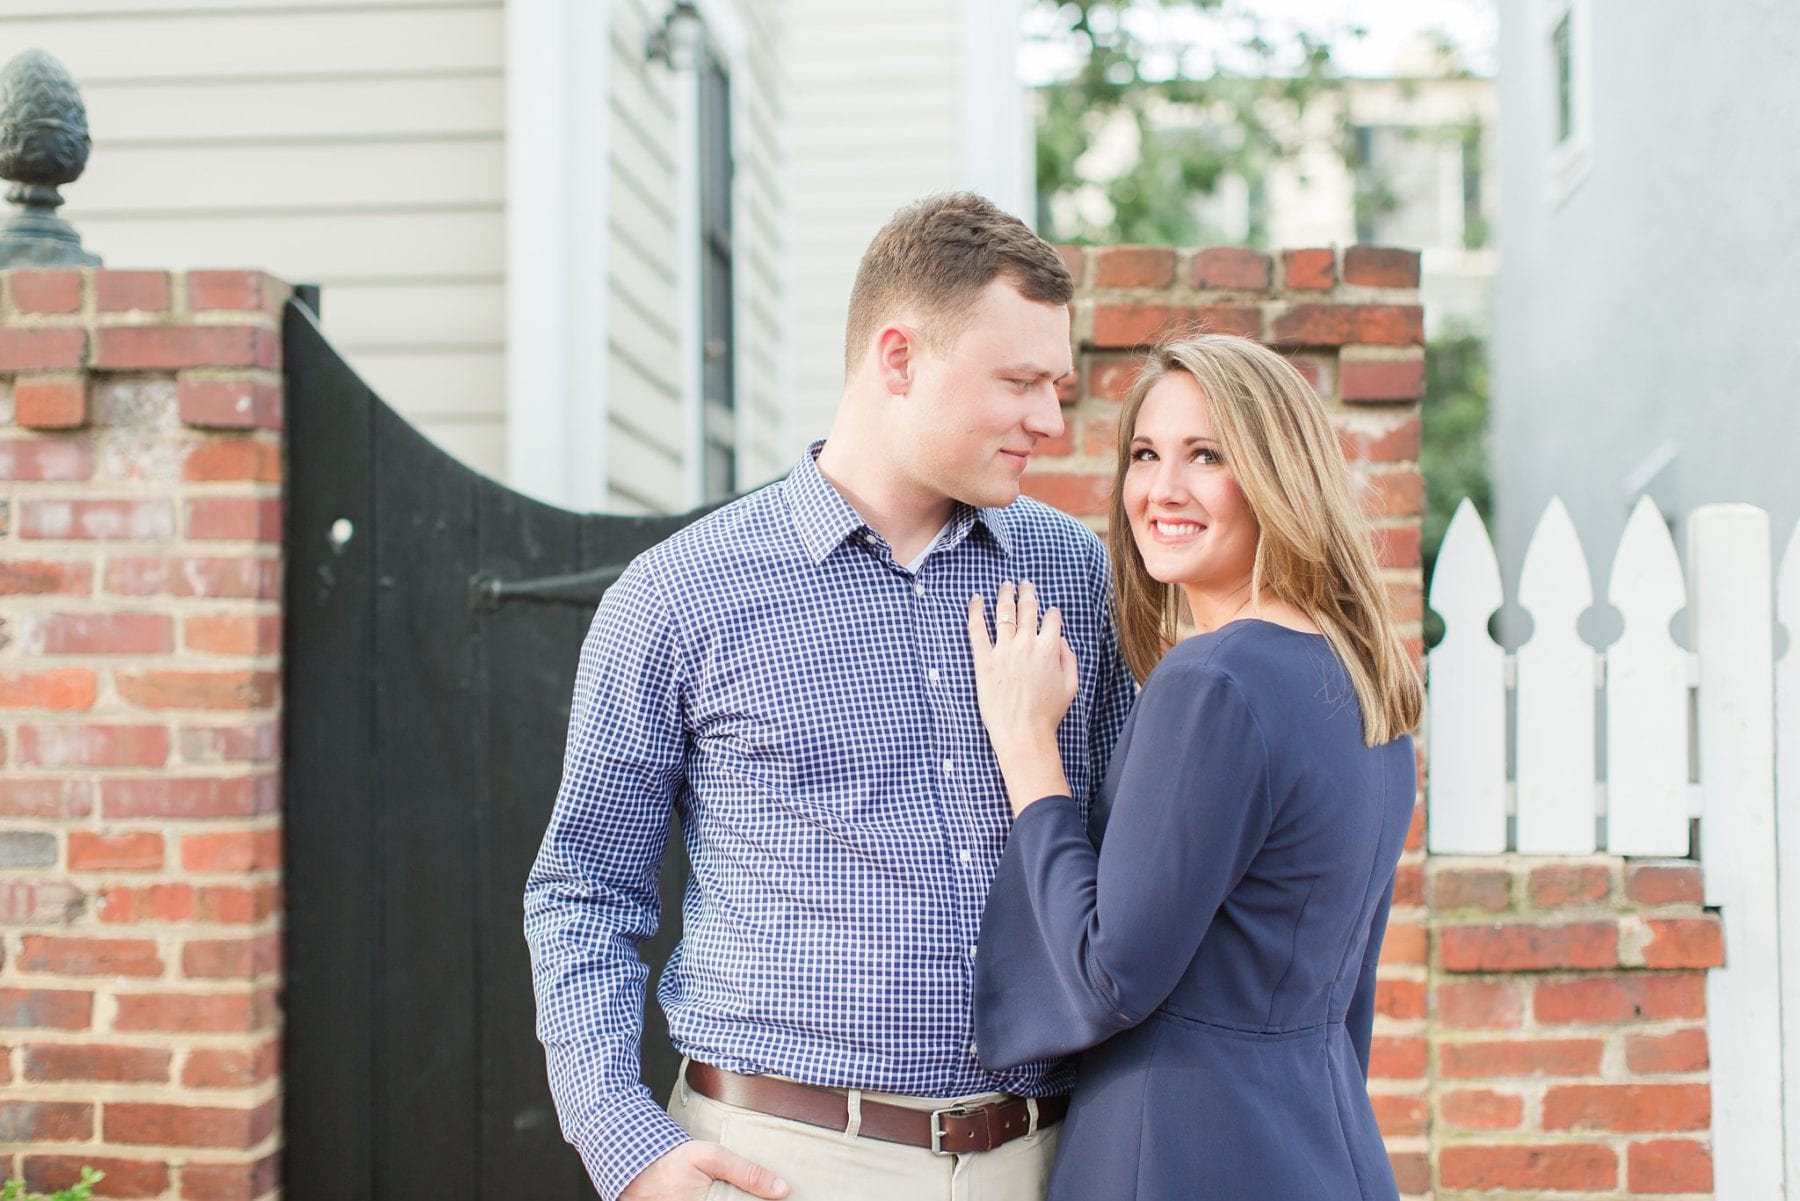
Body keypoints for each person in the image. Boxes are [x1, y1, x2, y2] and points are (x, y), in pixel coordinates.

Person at [524, 192, 1136, 1201]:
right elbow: (583, 892)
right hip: (779, 1164)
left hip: (1048, 1160)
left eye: (1056, 385)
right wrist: (626, 1145)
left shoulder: (1078, 577)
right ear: (898, 359)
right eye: (1020, 382)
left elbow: (1126, 870)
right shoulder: (680, 595)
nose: (1051, 420)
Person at [964, 333, 1423, 1201]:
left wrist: (1028, 747)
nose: (1159, 490)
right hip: (1325, 1146)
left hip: (1178, 1151)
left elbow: (1109, 974)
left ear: (1277, 475)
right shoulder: (1367, 687)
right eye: (1144, 454)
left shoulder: (1214, 678)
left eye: (1205, 455)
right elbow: (1347, 999)